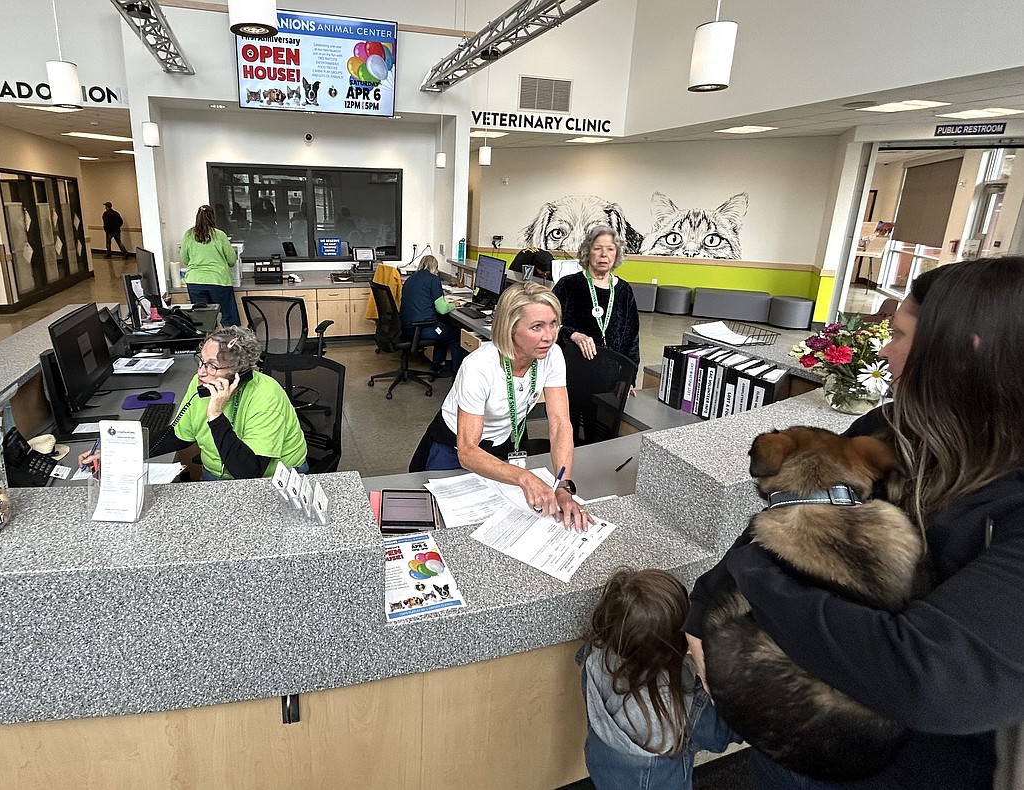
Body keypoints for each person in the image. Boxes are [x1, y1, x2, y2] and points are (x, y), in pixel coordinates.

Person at [684, 256, 1024, 789]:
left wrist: (755, 575)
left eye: (901, 336)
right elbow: (776, 522)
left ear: (963, 354)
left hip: (896, 770)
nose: (885, 352)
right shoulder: (889, 426)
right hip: (792, 737)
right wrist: (700, 610)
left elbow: (926, 676)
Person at [416, 281, 591, 531]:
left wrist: (563, 484)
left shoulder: (552, 355)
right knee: (446, 524)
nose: (549, 336)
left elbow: (560, 423)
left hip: (501, 445)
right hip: (453, 446)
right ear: (510, 328)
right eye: (537, 327)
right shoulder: (479, 366)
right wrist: (524, 477)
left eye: (553, 324)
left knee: (499, 523)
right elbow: (467, 451)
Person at [578, 567, 740, 790]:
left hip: (604, 766)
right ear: (677, 642)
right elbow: (725, 733)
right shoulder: (682, 703)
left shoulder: (595, 656)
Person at [79, 326, 307, 481]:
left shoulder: (265, 395)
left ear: (240, 373)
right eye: (201, 362)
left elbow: (248, 472)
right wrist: (116, 453)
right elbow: (179, 435)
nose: (201, 372)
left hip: (273, 480)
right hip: (215, 475)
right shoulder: (201, 385)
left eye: (212, 366)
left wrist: (216, 415)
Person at [552, 224, 640, 379]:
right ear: (588, 252)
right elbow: (549, 326)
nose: (604, 254)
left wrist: (628, 379)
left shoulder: (624, 291)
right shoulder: (567, 285)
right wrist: (573, 335)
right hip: (569, 372)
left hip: (609, 376)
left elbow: (631, 340)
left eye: (610, 249)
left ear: (617, 254)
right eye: (597, 248)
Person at [399, 254, 464, 378]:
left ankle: (436, 366)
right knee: (455, 334)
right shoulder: (433, 280)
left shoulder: (410, 279)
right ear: (435, 267)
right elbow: (442, 309)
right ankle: (457, 374)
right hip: (421, 329)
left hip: (405, 326)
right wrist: (454, 304)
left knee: (444, 330)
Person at [181, 204, 241, 327]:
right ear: (213, 218)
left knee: (202, 321)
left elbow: (184, 259)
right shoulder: (219, 235)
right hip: (218, 281)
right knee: (227, 319)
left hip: (195, 282)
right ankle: (228, 344)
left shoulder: (188, 234)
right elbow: (231, 259)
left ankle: (206, 344)